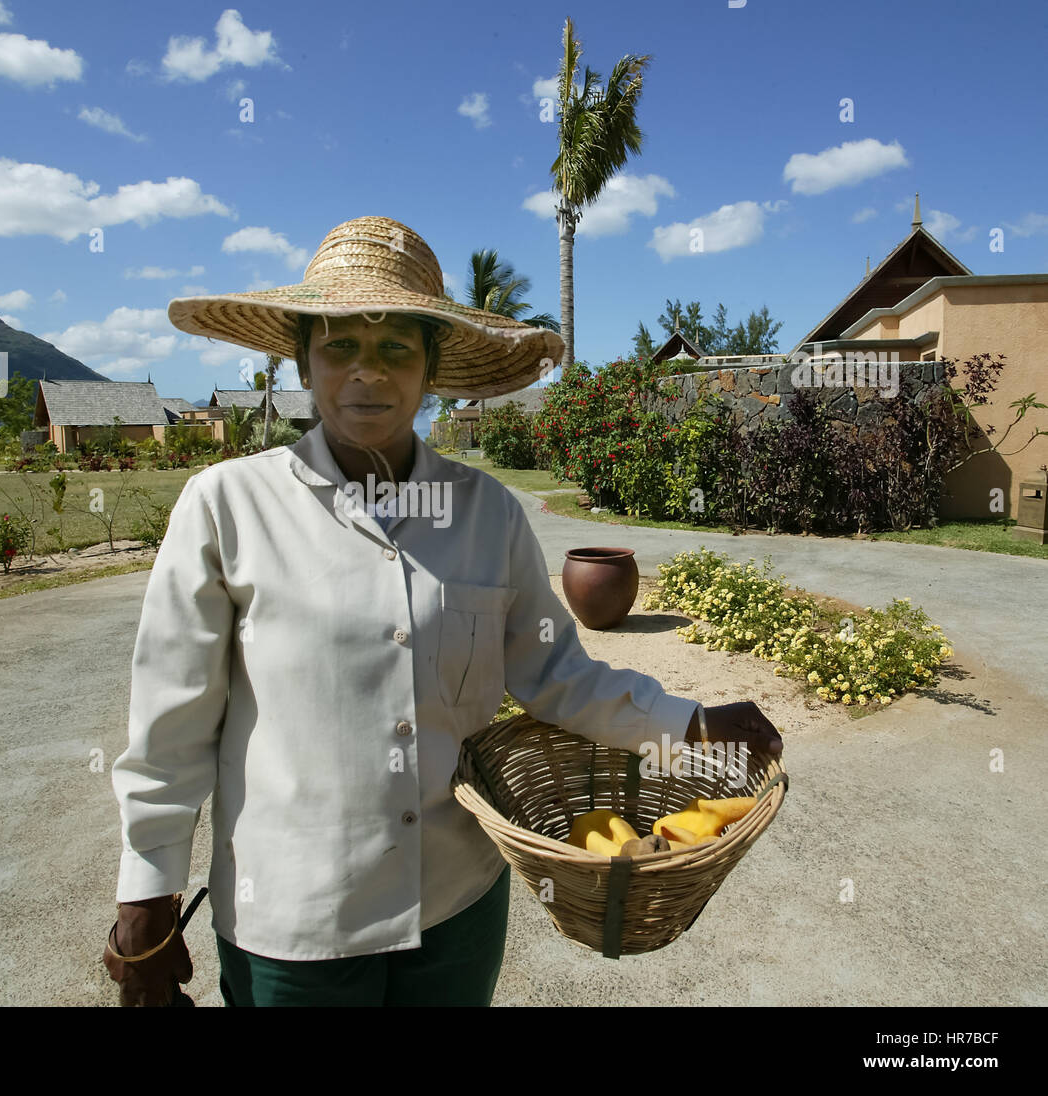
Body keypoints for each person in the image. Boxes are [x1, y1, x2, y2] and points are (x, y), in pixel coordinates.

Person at [103, 216, 783, 1007]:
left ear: (431, 371)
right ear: (301, 360)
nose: (368, 373)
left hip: (455, 906)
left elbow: (555, 673)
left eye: (397, 349)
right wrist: (145, 903)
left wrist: (690, 723)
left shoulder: (487, 514)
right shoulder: (227, 506)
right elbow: (171, 726)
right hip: (293, 918)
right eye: (341, 347)